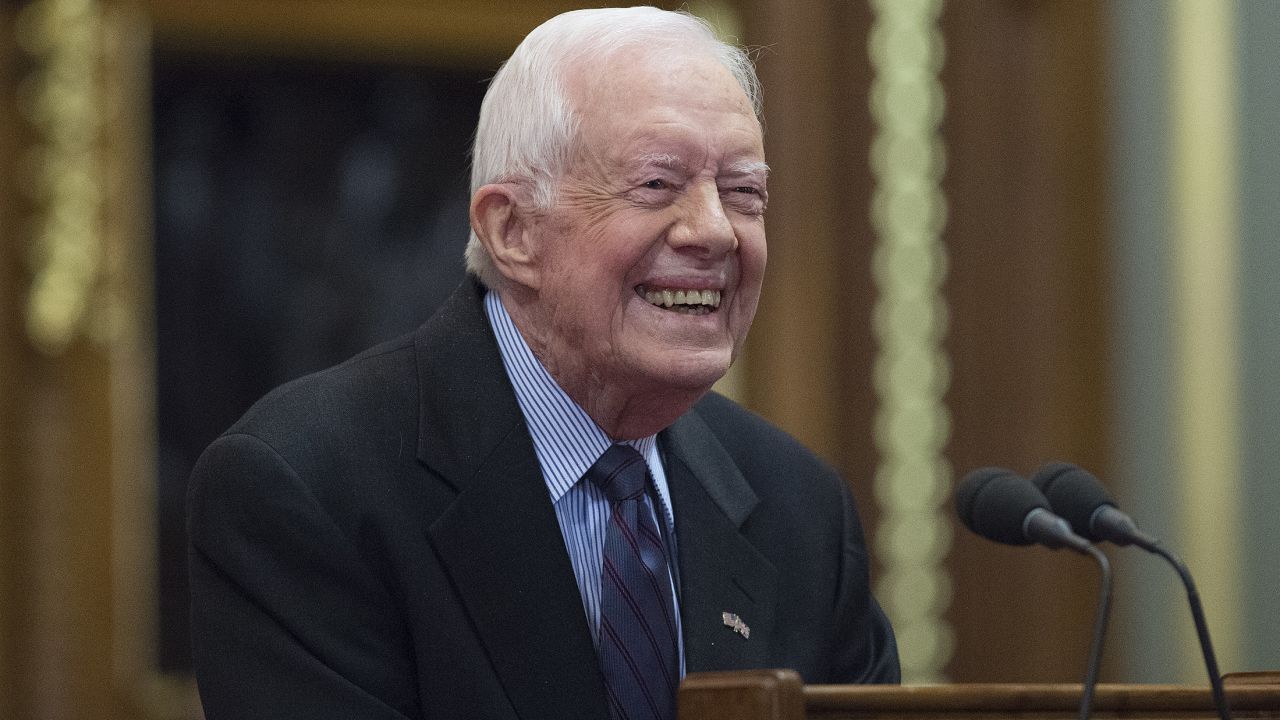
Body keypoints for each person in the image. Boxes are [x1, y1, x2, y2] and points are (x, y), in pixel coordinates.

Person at [187, 7, 899, 720]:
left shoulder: (799, 511)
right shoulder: (305, 486)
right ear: (513, 230)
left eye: (744, 192)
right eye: (657, 184)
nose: (716, 231)